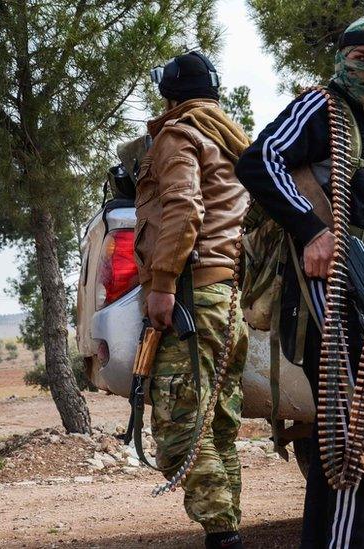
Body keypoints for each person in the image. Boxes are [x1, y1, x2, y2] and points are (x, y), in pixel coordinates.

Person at [235, 16, 364, 549]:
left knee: (346, 439)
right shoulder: (321, 108)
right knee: (359, 440)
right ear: (342, 60)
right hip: (327, 298)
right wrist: (310, 230)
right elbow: (258, 160)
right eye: (361, 58)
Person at [136, 51, 250, 549]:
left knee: (185, 429)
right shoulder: (231, 140)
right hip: (225, 300)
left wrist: (162, 284)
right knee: (218, 427)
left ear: (170, 93)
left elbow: (183, 206)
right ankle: (228, 532)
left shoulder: (177, 135)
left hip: (190, 298)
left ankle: (223, 537)